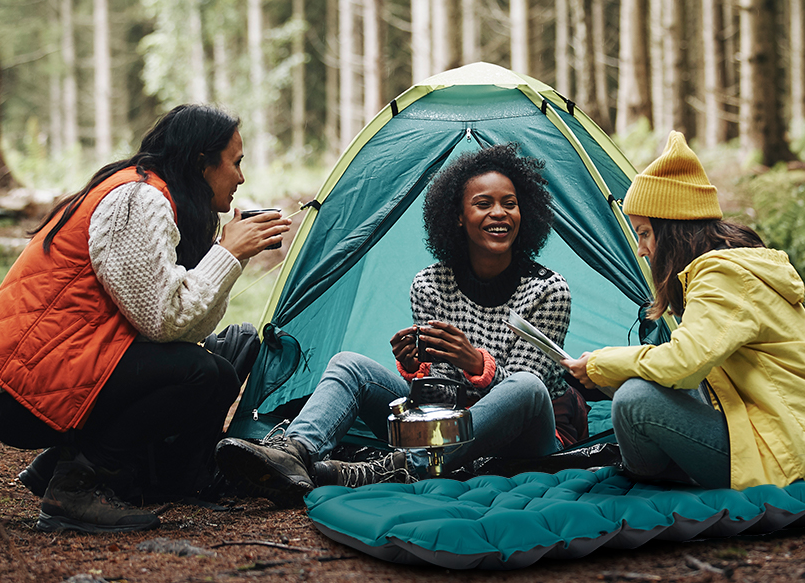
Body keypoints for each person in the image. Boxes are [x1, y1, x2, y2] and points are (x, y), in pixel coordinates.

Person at [0, 105, 292, 532]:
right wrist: (227, 254)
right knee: (203, 374)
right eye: (236, 162)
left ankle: (65, 466)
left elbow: (189, 328)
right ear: (201, 162)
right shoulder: (139, 199)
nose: (241, 178)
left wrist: (230, 257)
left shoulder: (154, 195)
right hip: (16, 387)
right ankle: (76, 485)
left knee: (217, 365)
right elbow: (165, 321)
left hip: (47, 369)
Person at [216, 142, 584, 497]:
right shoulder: (431, 284)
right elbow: (442, 395)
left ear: (526, 213)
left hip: (526, 439)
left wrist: (474, 361)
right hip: (449, 431)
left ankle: (405, 466)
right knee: (349, 366)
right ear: (457, 216)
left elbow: (520, 400)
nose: (500, 213)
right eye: (483, 204)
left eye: (510, 204)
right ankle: (294, 452)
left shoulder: (549, 290)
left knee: (527, 386)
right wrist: (416, 370)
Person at [562, 131, 805, 490]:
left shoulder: (723, 277)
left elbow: (684, 363)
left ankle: (650, 478)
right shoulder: (732, 267)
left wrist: (602, 363)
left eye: (645, 234)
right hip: (798, 429)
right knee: (642, 382)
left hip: (797, 447)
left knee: (634, 401)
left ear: (672, 229)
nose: (642, 250)